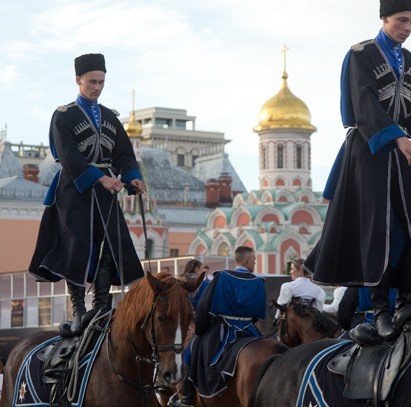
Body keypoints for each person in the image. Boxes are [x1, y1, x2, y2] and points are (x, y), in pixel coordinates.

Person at [304, 0, 411, 344]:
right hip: (369, 153)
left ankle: (406, 302)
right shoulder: (361, 55)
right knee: (379, 231)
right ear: (384, 17)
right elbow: (363, 102)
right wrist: (395, 136)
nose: (408, 27)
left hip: (402, 159)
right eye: (402, 20)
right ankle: (380, 309)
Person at [29, 53, 146, 335]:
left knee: (109, 245)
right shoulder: (64, 115)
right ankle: (79, 309)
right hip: (73, 192)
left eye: (101, 82)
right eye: (92, 81)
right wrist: (100, 178)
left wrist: (133, 178)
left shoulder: (110, 118)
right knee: (76, 247)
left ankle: (102, 305)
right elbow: (68, 156)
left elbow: (124, 154)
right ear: (78, 80)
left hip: (105, 195)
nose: (97, 87)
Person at [169, 246, 266, 407]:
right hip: (249, 329)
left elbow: (205, 306)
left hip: (223, 329)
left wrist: (200, 329)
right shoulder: (258, 281)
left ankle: (186, 397)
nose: (255, 262)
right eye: (254, 259)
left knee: (190, 351)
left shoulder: (222, 276)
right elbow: (259, 312)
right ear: (247, 259)